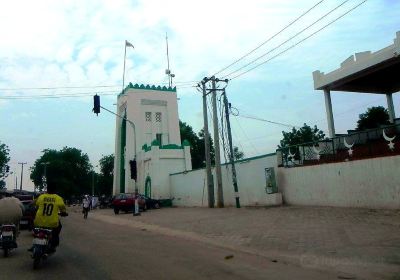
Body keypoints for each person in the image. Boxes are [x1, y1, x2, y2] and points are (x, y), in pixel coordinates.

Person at [32, 181, 67, 252]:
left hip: (39, 221)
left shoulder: (41, 197)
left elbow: (37, 205)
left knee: (36, 230)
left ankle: (34, 244)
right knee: (58, 229)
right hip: (52, 223)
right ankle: (53, 244)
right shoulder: (58, 198)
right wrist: (64, 213)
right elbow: (63, 209)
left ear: (47, 189)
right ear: (55, 190)